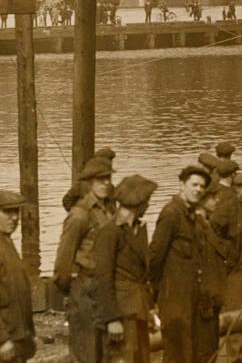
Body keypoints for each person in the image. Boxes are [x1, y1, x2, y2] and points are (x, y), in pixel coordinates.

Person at [53, 158, 116, 363]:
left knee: (106, 353)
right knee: (85, 353)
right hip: (85, 290)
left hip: (106, 291)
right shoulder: (79, 215)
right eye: (100, 180)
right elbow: (63, 260)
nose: (106, 183)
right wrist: (69, 290)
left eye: (108, 178)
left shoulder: (109, 210)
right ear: (89, 182)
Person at [149, 166, 211, 363]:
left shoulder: (192, 216)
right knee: (176, 352)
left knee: (190, 349)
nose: (198, 190)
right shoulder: (171, 214)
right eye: (194, 185)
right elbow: (155, 257)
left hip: (191, 295)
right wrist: (154, 295)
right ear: (181, 185)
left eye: (202, 186)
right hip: (173, 296)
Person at [94, 175, 158, 363]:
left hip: (139, 308)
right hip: (121, 311)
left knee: (142, 358)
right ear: (139, 203)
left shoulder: (139, 228)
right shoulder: (110, 232)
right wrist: (112, 319)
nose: (148, 205)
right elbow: (103, 278)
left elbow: (143, 274)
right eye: (147, 201)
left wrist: (150, 309)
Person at [211, 171, 242, 362]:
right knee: (237, 321)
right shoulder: (229, 207)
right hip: (236, 273)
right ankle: (236, 360)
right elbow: (212, 230)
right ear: (236, 188)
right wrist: (227, 257)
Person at [0, 190, 35, 363]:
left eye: (16, 212)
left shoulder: (6, 241)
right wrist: (2, 339)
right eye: (7, 212)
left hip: (16, 334)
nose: (14, 218)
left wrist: (29, 333)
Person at [195, 180, 227, 363]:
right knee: (205, 348)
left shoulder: (207, 224)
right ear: (202, 200)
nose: (217, 201)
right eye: (213, 198)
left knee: (212, 345)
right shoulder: (197, 227)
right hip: (204, 299)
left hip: (212, 297)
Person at [62, 147, 117, 212]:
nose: (109, 164)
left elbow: (112, 205)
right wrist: (77, 212)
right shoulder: (81, 185)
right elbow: (67, 200)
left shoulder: (110, 187)